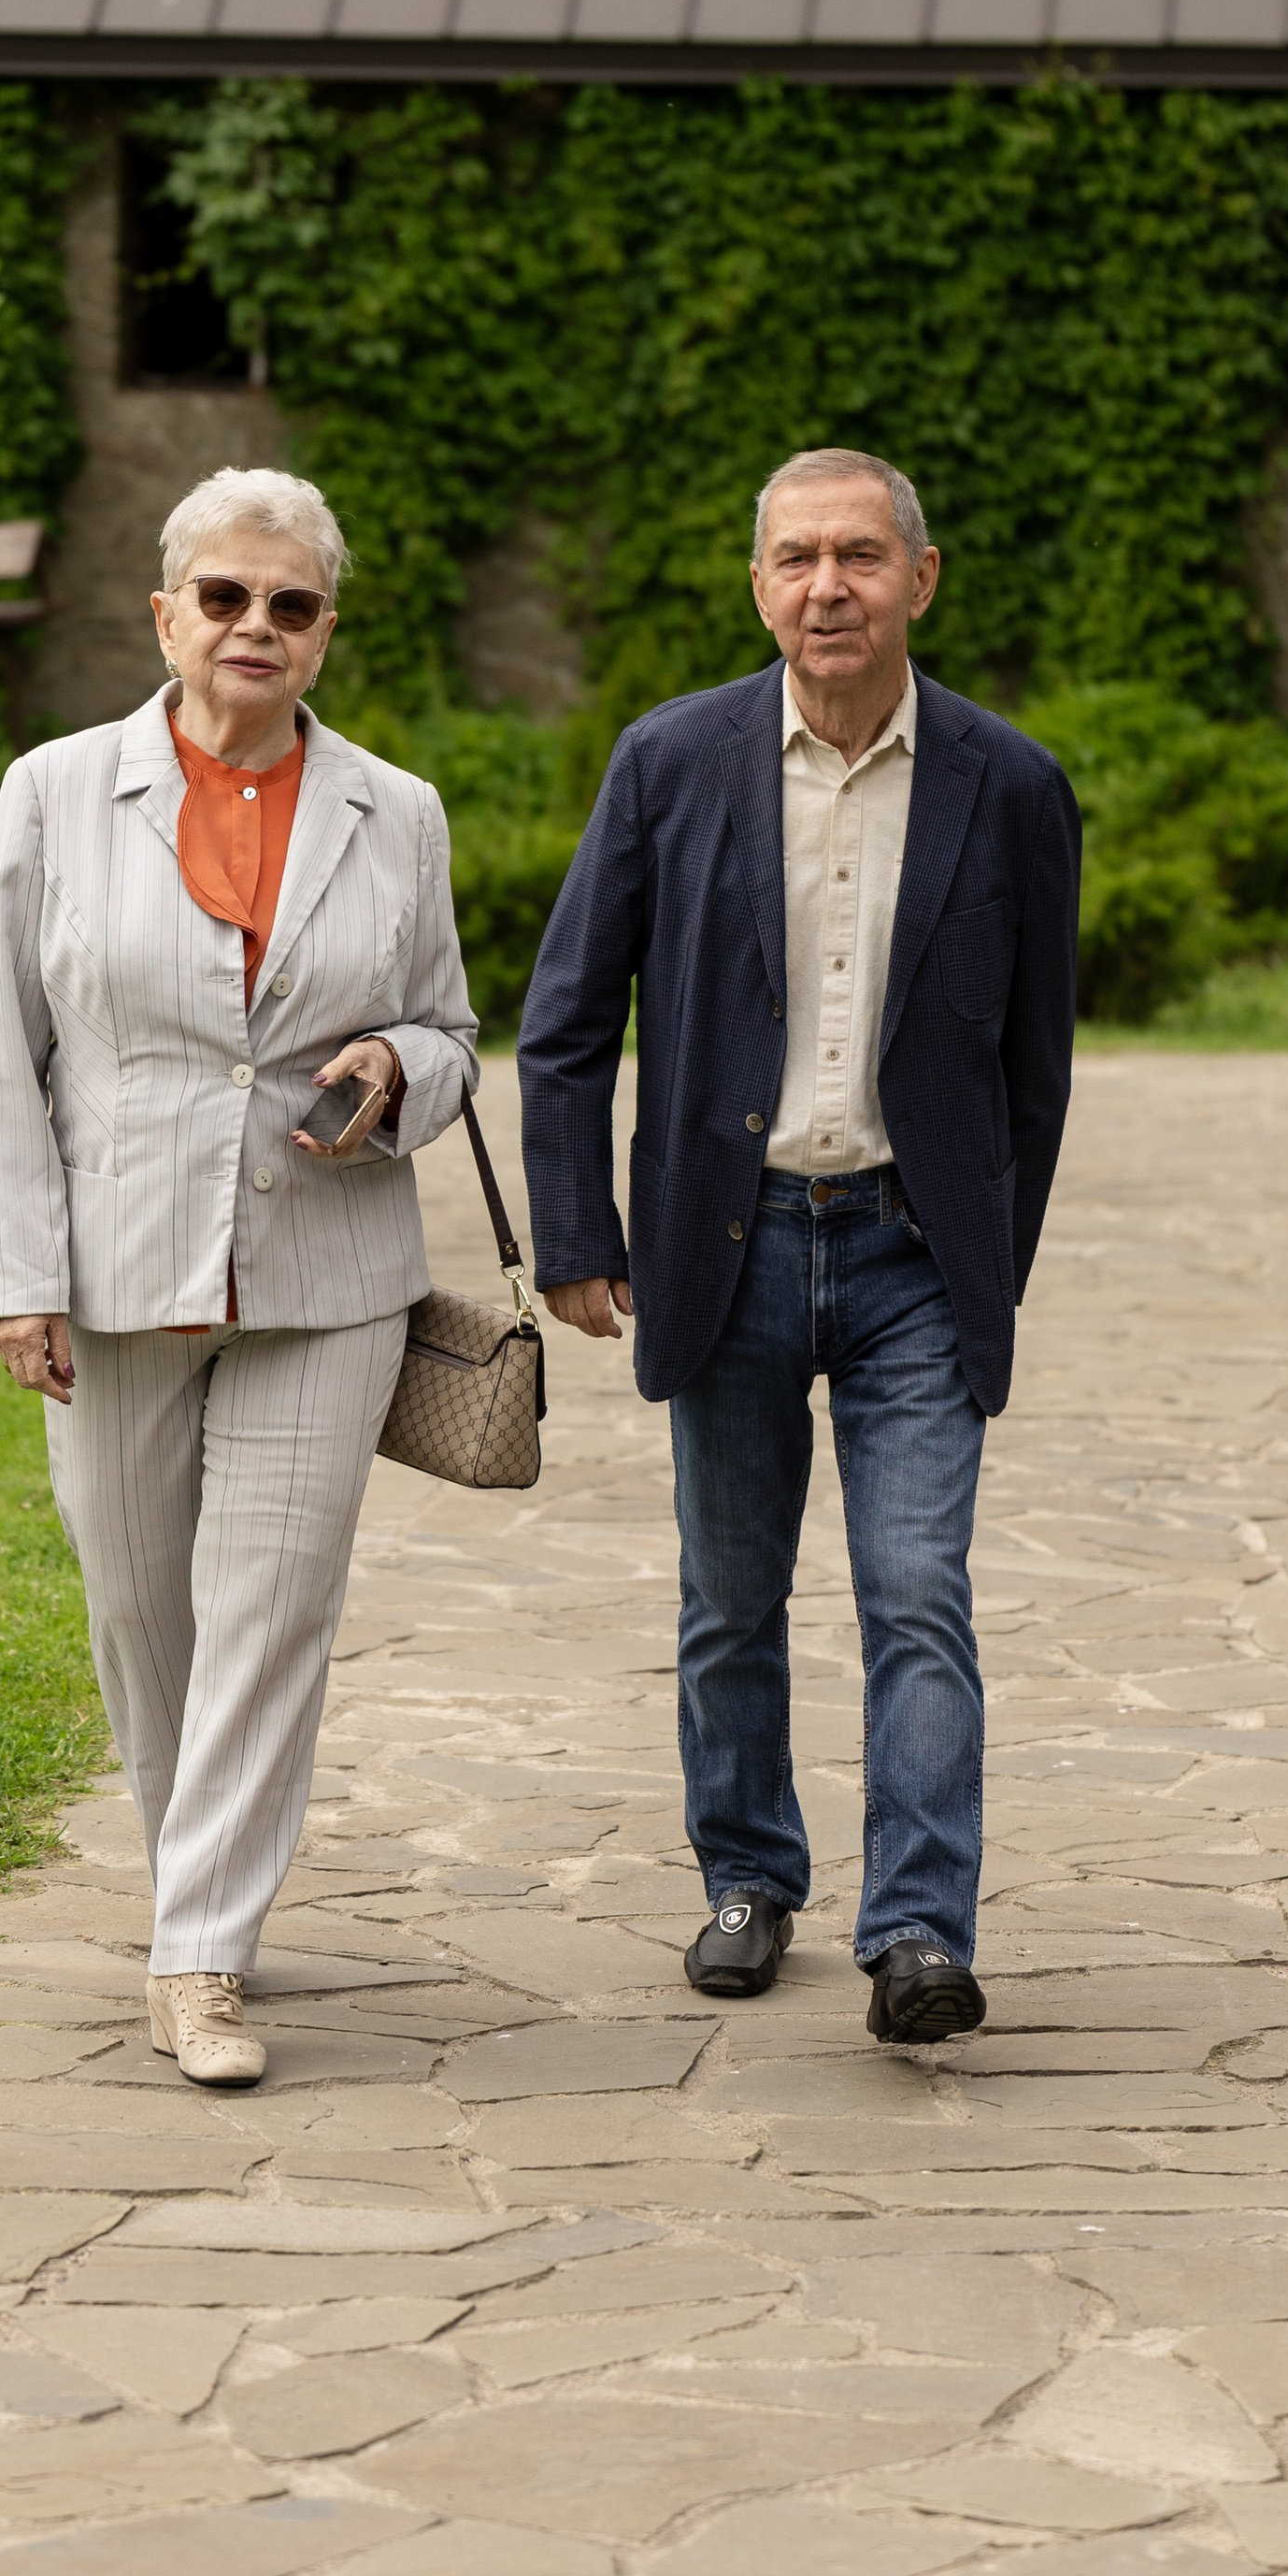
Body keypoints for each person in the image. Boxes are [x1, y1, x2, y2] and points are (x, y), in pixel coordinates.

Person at [518, 448, 1079, 2045]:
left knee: (919, 1593)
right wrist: (578, 1228)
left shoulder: (1011, 784)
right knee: (730, 1595)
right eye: (792, 559)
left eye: (855, 555)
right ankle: (750, 1878)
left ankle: (917, 1927)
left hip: (912, 1253)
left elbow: (1037, 1072)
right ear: (756, 581)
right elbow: (564, 1027)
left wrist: (992, 1268)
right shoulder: (670, 761)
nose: (824, 586)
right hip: (730, 1236)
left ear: (921, 574)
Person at [0, 467, 478, 2087]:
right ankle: (206, 1874)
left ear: (326, 631)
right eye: (229, 598)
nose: (260, 626)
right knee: (140, 1611)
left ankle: (201, 1953)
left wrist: (399, 1060)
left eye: (293, 604)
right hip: (111, 1273)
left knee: (271, 1611)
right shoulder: (52, 790)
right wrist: (13, 1274)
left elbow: (458, 1033)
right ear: (168, 613)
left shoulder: (399, 811)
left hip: (328, 1279)